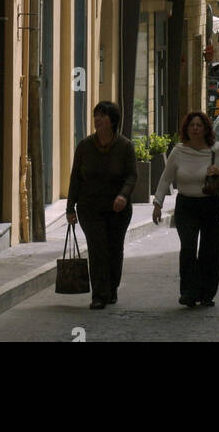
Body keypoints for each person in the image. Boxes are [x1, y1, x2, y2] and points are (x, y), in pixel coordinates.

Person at [152, 110, 219, 307]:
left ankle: (207, 294)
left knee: (211, 250)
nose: (196, 128)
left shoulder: (216, 150)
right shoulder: (179, 151)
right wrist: (158, 204)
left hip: (213, 205)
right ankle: (189, 292)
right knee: (189, 248)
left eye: (199, 125)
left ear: (206, 128)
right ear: (187, 129)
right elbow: (166, 177)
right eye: (192, 125)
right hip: (186, 205)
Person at [66, 101, 137, 309]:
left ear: (112, 120)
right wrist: (70, 207)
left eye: (102, 115)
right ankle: (98, 294)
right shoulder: (85, 146)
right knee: (97, 249)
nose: (97, 119)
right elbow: (75, 178)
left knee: (114, 249)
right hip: (90, 208)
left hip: (118, 209)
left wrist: (123, 196)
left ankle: (111, 288)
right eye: (96, 115)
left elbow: (132, 175)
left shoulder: (125, 146)